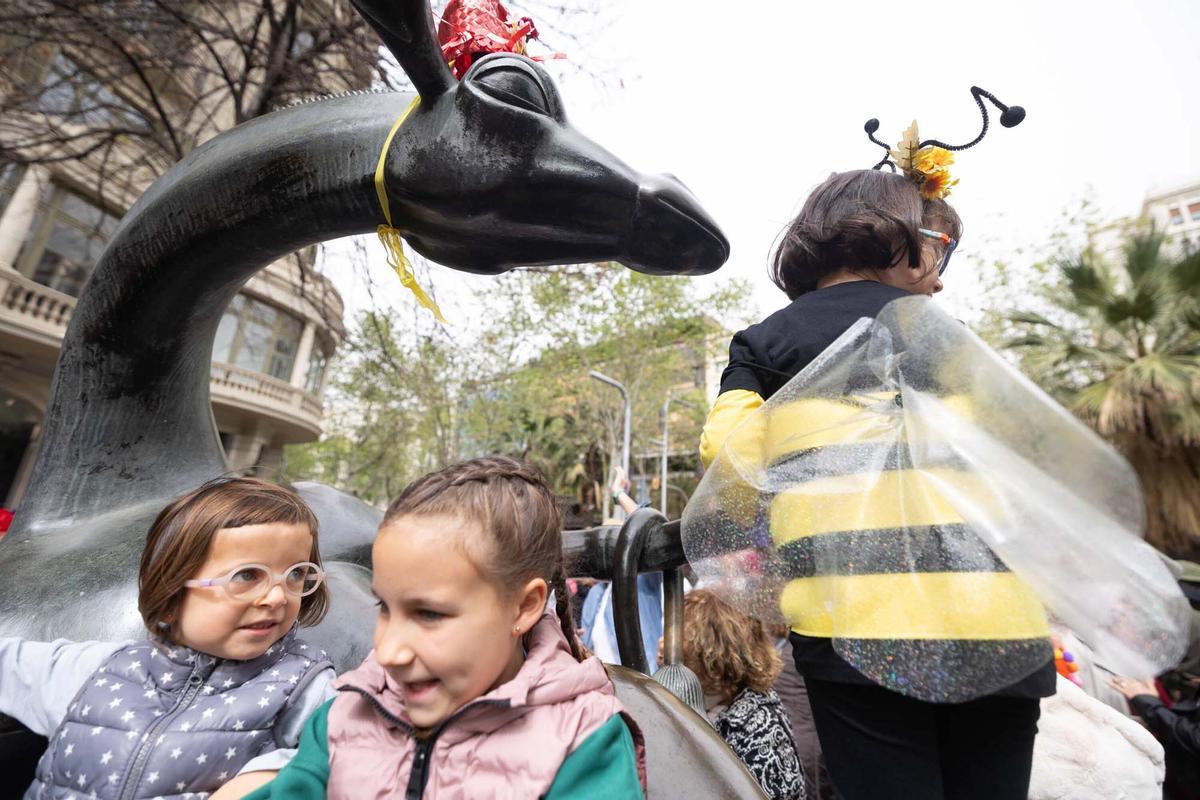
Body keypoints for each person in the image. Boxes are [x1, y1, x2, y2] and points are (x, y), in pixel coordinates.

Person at [698, 163, 1055, 798]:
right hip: (998, 627)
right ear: (895, 238)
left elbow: (726, 460)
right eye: (935, 244)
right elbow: (1015, 454)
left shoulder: (766, 343)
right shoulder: (954, 340)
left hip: (860, 632)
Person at [247, 456, 645, 799]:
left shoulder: (584, 740)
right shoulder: (344, 714)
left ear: (524, 607)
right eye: (385, 607)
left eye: (430, 614)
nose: (388, 653)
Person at [0, 476, 335, 799]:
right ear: (173, 585)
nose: (277, 598)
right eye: (247, 575)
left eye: (296, 574)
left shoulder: (305, 688)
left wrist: (271, 772)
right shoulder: (100, 669)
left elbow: (352, 752)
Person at [681, 589, 805, 800]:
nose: (662, 646)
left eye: (682, 641)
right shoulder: (710, 704)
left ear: (713, 653)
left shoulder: (759, 728)